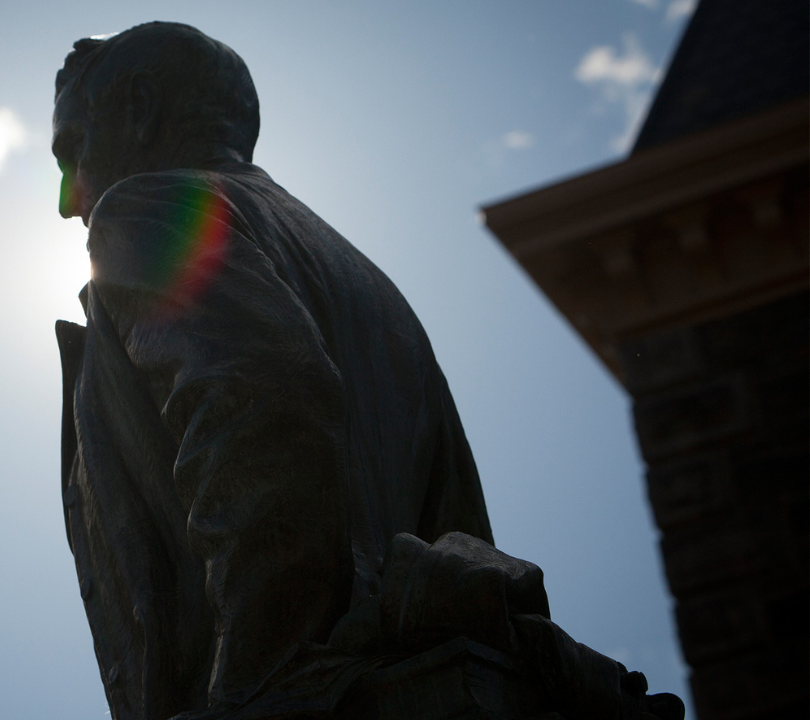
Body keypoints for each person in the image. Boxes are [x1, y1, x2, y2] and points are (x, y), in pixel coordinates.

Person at [51, 22, 681, 720]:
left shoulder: (149, 211)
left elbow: (262, 408)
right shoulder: (367, 285)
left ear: (138, 106)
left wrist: (260, 684)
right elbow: (457, 528)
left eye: (70, 150)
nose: (67, 199)